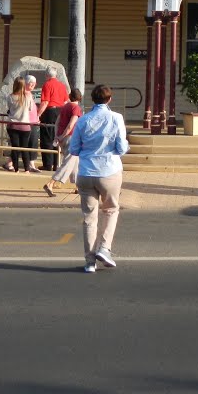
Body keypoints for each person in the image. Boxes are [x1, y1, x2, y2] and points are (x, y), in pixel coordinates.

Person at [70, 85, 129, 273]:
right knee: (111, 210)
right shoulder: (116, 118)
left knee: (89, 218)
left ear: (93, 99)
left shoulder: (83, 120)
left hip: (86, 172)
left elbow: (73, 149)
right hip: (109, 170)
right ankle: (104, 248)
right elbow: (121, 148)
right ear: (109, 100)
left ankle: (89, 262)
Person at [44, 88, 83, 196]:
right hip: (72, 138)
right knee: (68, 163)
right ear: (80, 97)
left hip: (62, 138)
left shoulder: (64, 107)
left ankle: (78, 186)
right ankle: (51, 183)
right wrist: (63, 135)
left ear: (70, 96)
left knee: (75, 162)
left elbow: (57, 122)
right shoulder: (76, 108)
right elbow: (71, 125)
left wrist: (58, 136)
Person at [2, 76, 37, 173]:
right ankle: (26, 169)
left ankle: (16, 168)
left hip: (13, 125)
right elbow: (30, 109)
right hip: (25, 126)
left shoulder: (10, 97)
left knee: (15, 147)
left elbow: (9, 108)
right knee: (24, 148)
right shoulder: (28, 97)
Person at [37, 66, 68, 172]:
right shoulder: (62, 86)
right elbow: (65, 101)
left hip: (50, 111)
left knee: (47, 138)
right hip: (60, 111)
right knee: (57, 136)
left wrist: (38, 114)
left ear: (47, 75)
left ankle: (47, 164)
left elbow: (45, 102)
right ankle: (56, 163)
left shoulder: (47, 84)